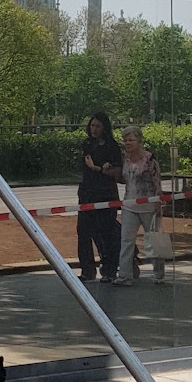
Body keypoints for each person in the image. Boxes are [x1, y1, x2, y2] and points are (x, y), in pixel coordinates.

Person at [114, 123, 165, 286]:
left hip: (149, 205)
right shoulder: (124, 159)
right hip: (129, 204)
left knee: (153, 240)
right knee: (126, 241)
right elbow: (123, 179)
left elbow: (157, 181)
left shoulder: (149, 159)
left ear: (139, 141)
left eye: (131, 140)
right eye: (125, 140)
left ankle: (159, 274)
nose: (127, 143)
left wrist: (158, 202)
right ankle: (125, 275)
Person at [77, 111, 121, 283]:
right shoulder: (87, 144)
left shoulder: (112, 146)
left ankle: (109, 269)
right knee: (83, 231)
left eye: (98, 126)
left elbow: (117, 171)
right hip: (87, 193)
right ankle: (87, 270)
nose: (94, 129)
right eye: (92, 126)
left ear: (104, 128)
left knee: (106, 232)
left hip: (105, 193)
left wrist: (100, 167)